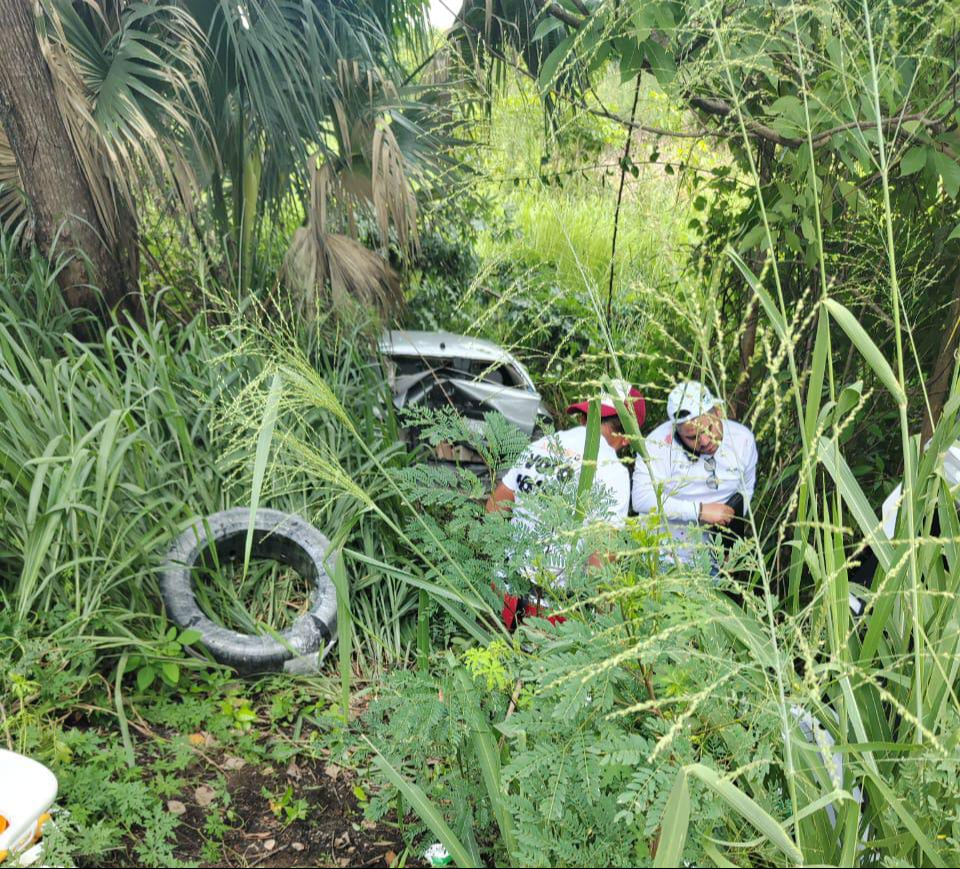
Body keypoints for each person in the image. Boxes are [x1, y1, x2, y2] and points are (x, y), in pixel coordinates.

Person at [486, 379, 646, 628]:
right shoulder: (612, 471)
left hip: (502, 595)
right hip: (552, 613)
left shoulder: (540, 446)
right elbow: (600, 558)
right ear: (627, 438)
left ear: (584, 418)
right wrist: (605, 622)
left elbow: (493, 510)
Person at [632, 380, 757, 571]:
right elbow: (642, 499)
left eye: (709, 429)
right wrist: (699, 511)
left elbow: (745, 491)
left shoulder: (743, 441)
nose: (705, 441)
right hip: (664, 556)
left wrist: (729, 540)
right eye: (692, 437)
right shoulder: (656, 445)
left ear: (718, 412)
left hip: (713, 558)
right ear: (676, 431)